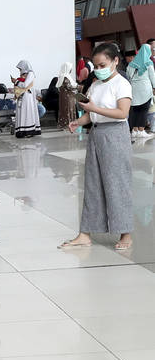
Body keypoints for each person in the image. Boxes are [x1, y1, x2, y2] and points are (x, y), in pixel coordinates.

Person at [60, 42, 133, 252]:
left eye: (102, 65)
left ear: (115, 61)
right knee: (92, 184)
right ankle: (85, 233)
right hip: (97, 135)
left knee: (117, 184)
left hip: (116, 135)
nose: (99, 70)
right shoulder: (95, 85)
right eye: (96, 66)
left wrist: (94, 109)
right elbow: (92, 114)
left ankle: (125, 233)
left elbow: (122, 113)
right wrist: (79, 121)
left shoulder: (122, 84)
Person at [126, 44, 155, 136]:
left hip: (134, 89)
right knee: (144, 110)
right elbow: (153, 77)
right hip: (145, 89)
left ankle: (134, 131)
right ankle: (141, 130)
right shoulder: (148, 63)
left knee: (135, 110)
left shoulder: (131, 64)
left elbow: (128, 76)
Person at [12, 60, 41, 138]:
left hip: (27, 97)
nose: (20, 70)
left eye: (20, 68)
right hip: (22, 96)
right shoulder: (25, 74)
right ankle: (22, 131)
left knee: (27, 113)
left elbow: (25, 85)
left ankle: (28, 131)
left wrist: (16, 81)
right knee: (22, 113)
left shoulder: (30, 74)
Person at [56, 62, 78, 131]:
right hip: (67, 97)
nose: (71, 69)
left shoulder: (63, 76)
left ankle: (67, 124)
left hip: (66, 97)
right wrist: (78, 87)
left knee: (66, 110)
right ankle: (68, 125)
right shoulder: (65, 77)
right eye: (70, 68)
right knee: (67, 109)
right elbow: (69, 87)